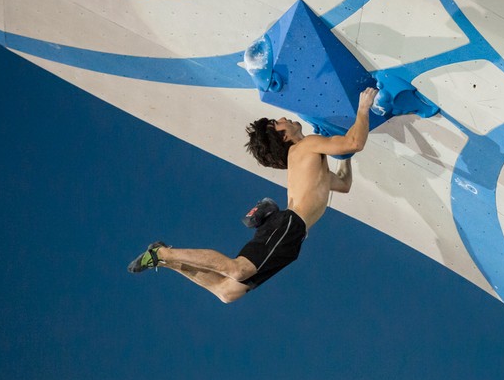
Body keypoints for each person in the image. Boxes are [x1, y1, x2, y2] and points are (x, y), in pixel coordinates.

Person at [127, 87, 379, 303]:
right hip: (289, 226)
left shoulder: (309, 157)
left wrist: (345, 159)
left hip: (291, 232)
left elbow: (344, 183)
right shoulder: (307, 145)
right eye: (278, 122)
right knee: (237, 271)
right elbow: (354, 141)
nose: (283, 118)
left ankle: (163, 258)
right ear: (283, 136)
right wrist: (363, 108)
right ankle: (162, 254)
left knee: (227, 293)